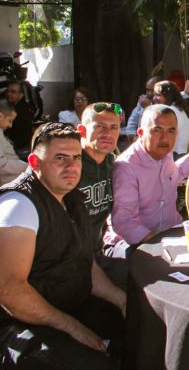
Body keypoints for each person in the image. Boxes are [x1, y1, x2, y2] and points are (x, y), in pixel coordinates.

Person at [0, 122, 126, 369]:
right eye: (60, 158)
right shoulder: (17, 207)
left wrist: (121, 300)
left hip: (68, 305)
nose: (71, 166)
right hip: (17, 324)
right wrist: (72, 326)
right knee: (88, 364)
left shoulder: (72, 199)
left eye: (76, 158)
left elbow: (86, 264)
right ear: (34, 162)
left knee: (138, 324)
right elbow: (9, 291)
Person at [111, 104, 189, 250]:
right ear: (141, 133)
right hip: (138, 243)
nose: (165, 138)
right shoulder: (126, 167)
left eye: (171, 131)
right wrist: (159, 242)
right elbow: (123, 222)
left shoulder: (165, 154)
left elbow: (173, 175)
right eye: (157, 130)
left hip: (171, 232)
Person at [76, 102, 127, 287]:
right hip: (68, 261)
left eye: (114, 127)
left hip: (98, 252)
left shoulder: (114, 165)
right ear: (82, 131)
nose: (108, 133)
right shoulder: (70, 165)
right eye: (100, 127)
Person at [152, 80, 189, 158]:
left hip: (177, 156)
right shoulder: (178, 108)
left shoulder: (168, 112)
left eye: (158, 95)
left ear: (168, 96)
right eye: (154, 95)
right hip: (186, 152)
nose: (154, 98)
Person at [0, 99, 27, 185]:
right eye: (10, 121)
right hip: (9, 182)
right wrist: (27, 167)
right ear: (0, 116)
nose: (10, 125)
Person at [120, 75, 161, 139]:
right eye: (148, 90)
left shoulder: (164, 103)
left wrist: (147, 107)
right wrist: (131, 134)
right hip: (139, 137)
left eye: (152, 90)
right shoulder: (143, 100)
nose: (149, 93)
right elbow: (133, 119)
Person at [4, 80, 35, 155]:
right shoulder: (12, 107)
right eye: (8, 91)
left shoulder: (23, 112)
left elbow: (20, 136)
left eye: (13, 92)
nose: (9, 94)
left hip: (19, 149)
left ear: (21, 95)